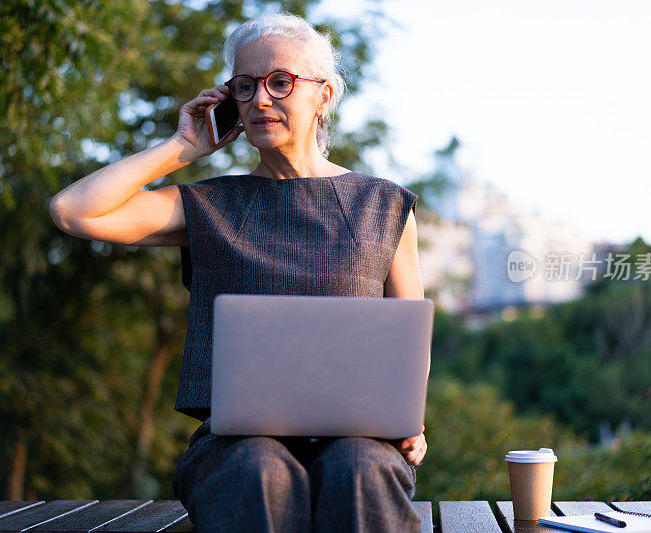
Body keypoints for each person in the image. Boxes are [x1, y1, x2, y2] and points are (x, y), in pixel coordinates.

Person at [49, 11, 427, 532]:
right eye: (245, 87)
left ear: (325, 96)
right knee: (259, 469)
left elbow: (411, 341)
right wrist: (183, 149)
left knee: (358, 467)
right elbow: (73, 211)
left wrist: (409, 419)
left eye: (280, 82)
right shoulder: (209, 205)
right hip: (235, 445)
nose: (261, 100)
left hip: (361, 437)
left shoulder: (384, 206)